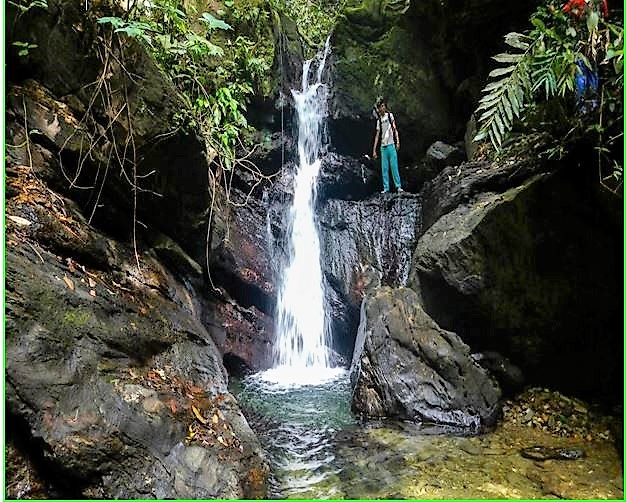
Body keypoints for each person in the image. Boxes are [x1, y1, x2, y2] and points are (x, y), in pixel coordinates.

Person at [372, 98, 403, 194]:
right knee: (384, 168)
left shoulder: (390, 116)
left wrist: (398, 141)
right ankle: (386, 188)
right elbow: (377, 135)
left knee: (394, 167)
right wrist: (374, 150)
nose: (382, 108)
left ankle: (398, 186)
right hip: (383, 147)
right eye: (380, 107)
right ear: (378, 109)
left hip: (391, 145)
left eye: (383, 106)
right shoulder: (379, 121)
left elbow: (394, 129)